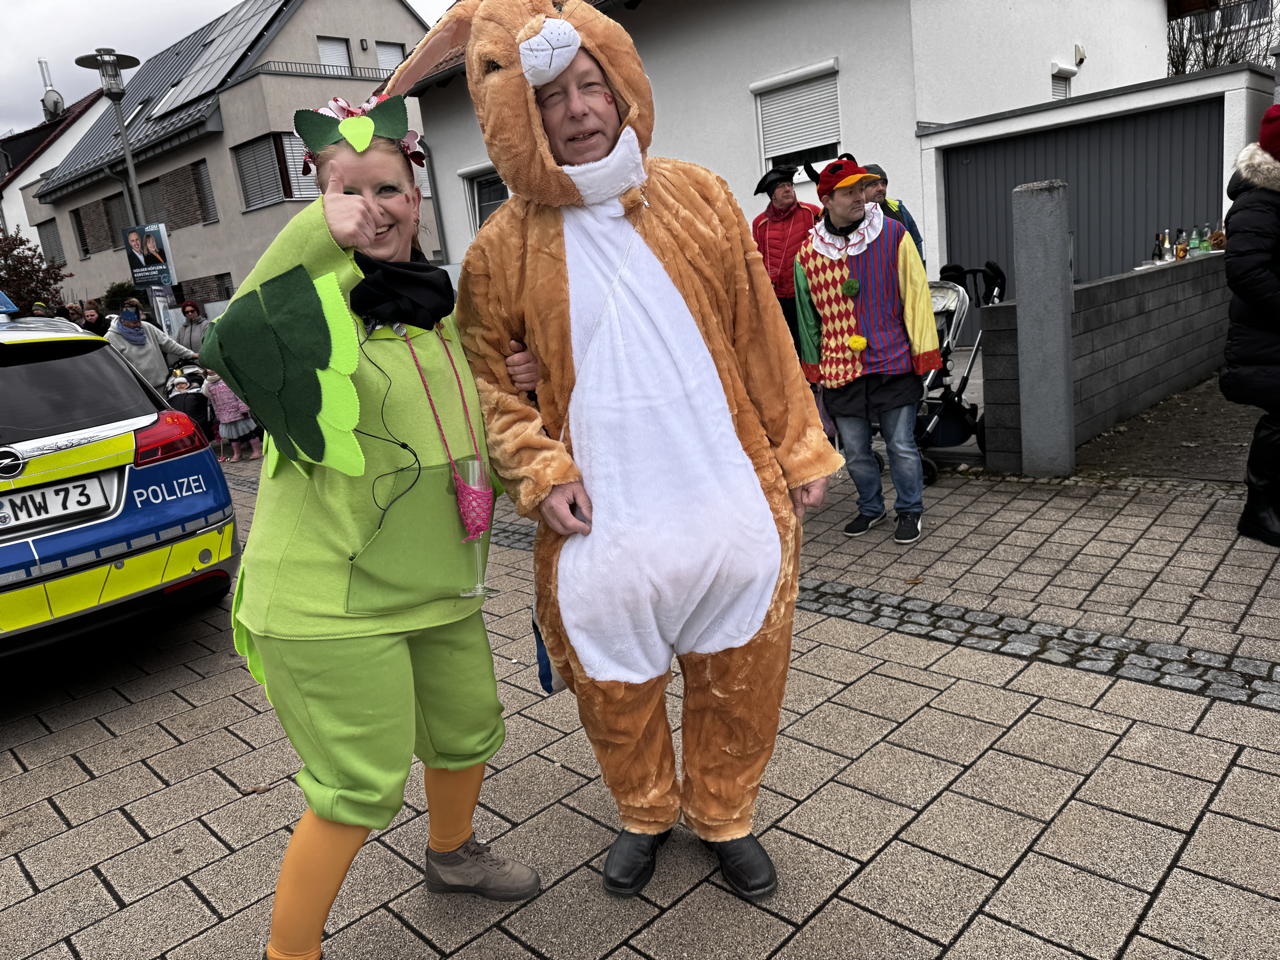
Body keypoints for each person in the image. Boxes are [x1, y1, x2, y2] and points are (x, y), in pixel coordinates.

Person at [390, 0, 843, 901]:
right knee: (613, 684)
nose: (579, 109)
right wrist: (538, 471)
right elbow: (487, 386)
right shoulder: (497, 253)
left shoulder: (702, 196)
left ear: (620, 83)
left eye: (590, 85)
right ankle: (645, 809)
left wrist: (800, 449)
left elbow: (760, 331)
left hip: (722, 492)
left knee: (739, 674)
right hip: (602, 515)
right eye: (551, 98)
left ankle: (724, 813)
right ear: (521, 114)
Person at [200, 93, 542, 960]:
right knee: (358, 788)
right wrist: (323, 233)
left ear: (417, 196)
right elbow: (231, 335)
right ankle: (291, 954)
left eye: (388, 188)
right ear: (320, 203)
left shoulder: (442, 312)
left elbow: (478, 431)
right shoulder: (301, 316)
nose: (372, 209)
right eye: (346, 191)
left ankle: (453, 857)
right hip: (331, 602)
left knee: (468, 729)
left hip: (441, 585)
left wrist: (527, 412)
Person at [795, 158, 941, 546]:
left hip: (892, 360)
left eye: (863, 189)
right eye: (850, 192)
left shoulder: (892, 234)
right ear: (826, 199)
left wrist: (924, 352)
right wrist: (813, 368)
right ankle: (871, 507)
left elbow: (916, 295)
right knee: (856, 452)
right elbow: (808, 319)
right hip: (840, 367)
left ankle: (910, 511)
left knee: (901, 446)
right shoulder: (808, 254)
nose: (861, 197)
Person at [1221, 104, 1280, 547]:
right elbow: (1245, 271)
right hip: (1266, 338)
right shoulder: (1259, 199)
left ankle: (1266, 504)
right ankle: (1257, 511)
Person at [751, 165, 820, 352]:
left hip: (809, 292)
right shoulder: (759, 224)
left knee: (814, 338)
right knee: (789, 345)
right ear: (772, 194)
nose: (788, 189)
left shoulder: (811, 212)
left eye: (790, 184)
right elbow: (758, 260)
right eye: (782, 186)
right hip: (780, 296)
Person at [106, 297, 197, 390]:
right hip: (140, 390)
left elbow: (169, 344)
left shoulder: (147, 327)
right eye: (133, 319)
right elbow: (110, 368)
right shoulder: (111, 337)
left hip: (164, 385)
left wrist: (192, 354)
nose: (138, 322)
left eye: (139, 317)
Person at [862, 163, 926, 267]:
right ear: (861, 189)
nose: (881, 188)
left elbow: (916, 243)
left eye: (883, 183)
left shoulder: (898, 208)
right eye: (874, 184)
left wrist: (918, 275)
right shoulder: (855, 214)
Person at [203, 369, 260, 460]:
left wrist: (243, 407)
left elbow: (238, 393)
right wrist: (218, 414)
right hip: (224, 414)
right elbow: (212, 401)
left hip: (237, 410)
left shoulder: (226, 378)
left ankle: (256, 451)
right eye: (207, 368)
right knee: (232, 435)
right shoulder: (208, 384)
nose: (210, 370)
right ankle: (237, 453)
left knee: (249, 432)